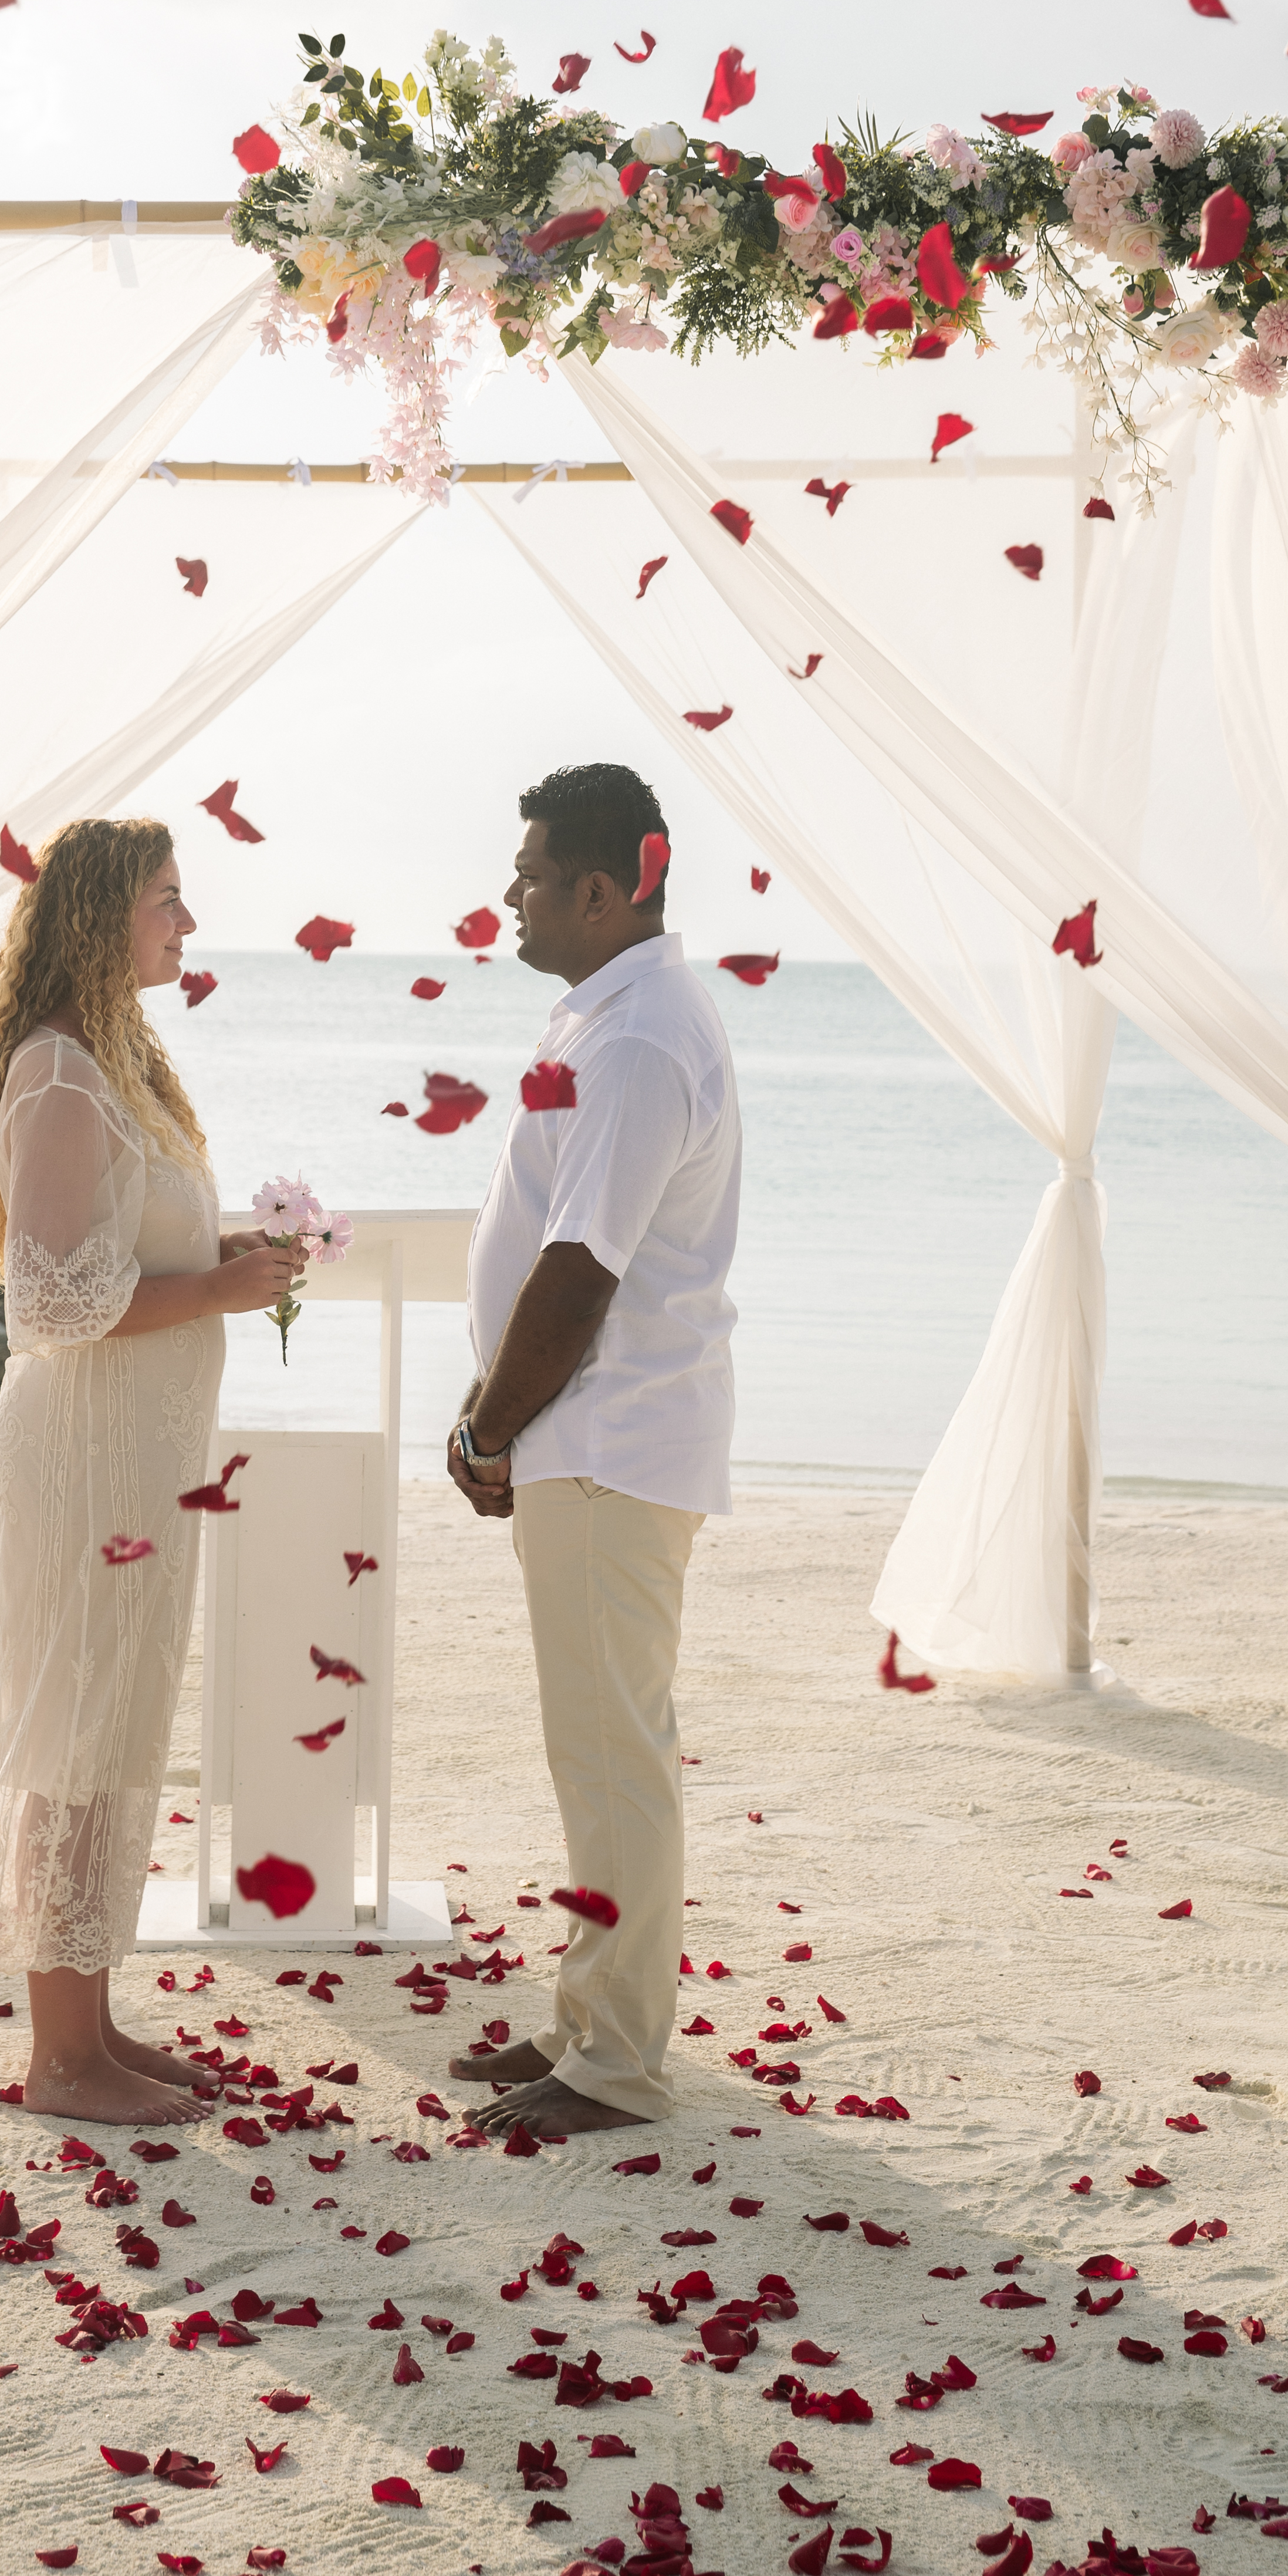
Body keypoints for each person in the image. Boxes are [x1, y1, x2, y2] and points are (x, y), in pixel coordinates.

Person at [0, 815, 300, 2126]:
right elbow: (46, 1297)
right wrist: (219, 1283)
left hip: (140, 1454)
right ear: (105, 917)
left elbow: (123, 1243)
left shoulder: (119, 1062)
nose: (188, 924)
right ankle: (58, 2059)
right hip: (84, 1456)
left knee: (120, 1721)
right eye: (168, 899)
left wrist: (238, 1252)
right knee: (74, 1727)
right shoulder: (54, 1073)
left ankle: (91, 2026)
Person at [447, 763, 742, 2138]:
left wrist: (489, 1423)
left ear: (606, 888)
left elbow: (581, 1268)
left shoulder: (631, 1041)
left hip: (606, 1439)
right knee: (599, 1750)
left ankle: (616, 2064)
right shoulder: (619, 1015)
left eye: (529, 874)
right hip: (602, 1437)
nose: (509, 894)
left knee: (615, 1756)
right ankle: (589, 2023)